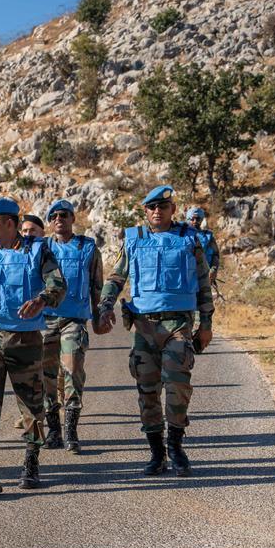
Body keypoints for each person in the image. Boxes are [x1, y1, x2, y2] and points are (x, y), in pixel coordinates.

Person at [95, 186, 214, 477]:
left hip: (178, 325)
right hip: (144, 326)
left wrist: (206, 325)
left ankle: (175, 447)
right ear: (145, 211)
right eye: (151, 207)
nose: (157, 212)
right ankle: (157, 453)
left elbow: (202, 284)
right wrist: (105, 305)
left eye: (163, 206)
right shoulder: (135, 241)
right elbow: (116, 277)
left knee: (178, 385)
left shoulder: (189, 240)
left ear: (173, 209)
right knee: (147, 390)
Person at [0, 197, 65, 495]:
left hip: (26, 340)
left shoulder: (37, 250)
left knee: (31, 404)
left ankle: (31, 463)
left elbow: (58, 285)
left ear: (10, 224)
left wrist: (41, 300)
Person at [41, 200, 105, 453]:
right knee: (45, 376)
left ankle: (71, 429)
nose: (59, 219)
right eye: (54, 215)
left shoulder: (87, 247)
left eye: (64, 215)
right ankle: (53, 429)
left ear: (72, 218)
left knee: (73, 369)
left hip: (74, 319)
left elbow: (96, 285)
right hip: (45, 320)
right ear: (50, 221)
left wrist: (99, 315)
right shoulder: (41, 248)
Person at [186, 207, 220, 288]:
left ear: (201, 220)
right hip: (186, 279)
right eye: (192, 219)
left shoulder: (208, 236)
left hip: (204, 278)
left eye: (197, 219)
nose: (195, 221)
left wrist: (214, 269)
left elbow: (215, 255)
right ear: (187, 219)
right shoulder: (181, 235)